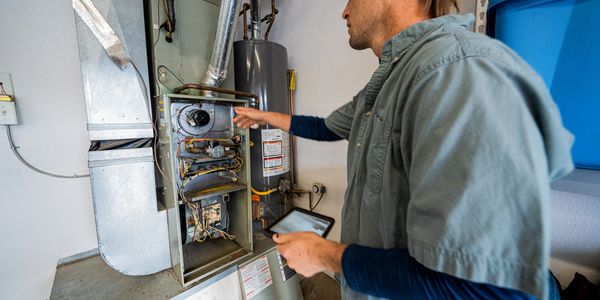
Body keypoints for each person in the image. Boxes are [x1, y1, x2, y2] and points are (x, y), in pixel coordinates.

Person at [234, 0, 574, 299]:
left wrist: (326, 256)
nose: (344, 11)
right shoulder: (387, 82)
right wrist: (263, 115)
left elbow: (486, 290)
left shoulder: (455, 71)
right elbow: (325, 127)